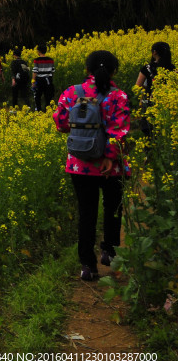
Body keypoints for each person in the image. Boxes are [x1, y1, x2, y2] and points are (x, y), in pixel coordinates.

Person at [53, 50, 130, 281]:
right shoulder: (119, 96)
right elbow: (121, 130)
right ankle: (109, 251)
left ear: (87, 70)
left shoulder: (72, 92)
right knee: (113, 208)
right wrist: (109, 155)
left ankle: (87, 265)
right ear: (113, 70)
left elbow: (61, 123)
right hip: (111, 166)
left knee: (86, 213)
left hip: (80, 165)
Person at [135, 41, 174, 135]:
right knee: (166, 129)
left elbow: (137, 86)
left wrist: (141, 100)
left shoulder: (147, 68)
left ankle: (150, 147)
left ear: (154, 52)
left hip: (149, 101)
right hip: (169, 103)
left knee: (149, 129)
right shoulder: (173, 68)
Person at [32, 45, 56, 112]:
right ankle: (47, 111)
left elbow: (35, 72)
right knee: (48, 97)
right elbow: (52, 71)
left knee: (37, 97)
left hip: (40, 81)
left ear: (38, 51)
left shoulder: (36, 60)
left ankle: (39, 111)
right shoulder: (51, 60)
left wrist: (33, 81)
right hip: (48, 80)